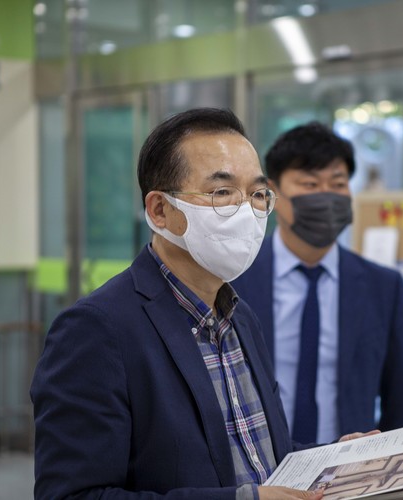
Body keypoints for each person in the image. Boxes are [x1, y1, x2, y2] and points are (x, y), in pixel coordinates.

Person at [31, 108, 372, 499]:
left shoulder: (239, 317)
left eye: (257, 194)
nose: (246, 211)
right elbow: (72, 495)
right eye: (222, 193)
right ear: (160, 210)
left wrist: (333, 460)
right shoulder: (96, 329)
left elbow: (257, 458)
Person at [232, 122, 403, 445]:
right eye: (309, 183)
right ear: (271, 193)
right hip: (257, 466)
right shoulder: (234, 279)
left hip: (350, 469)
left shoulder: (383, 287)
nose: (326, 195)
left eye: (337, 183)